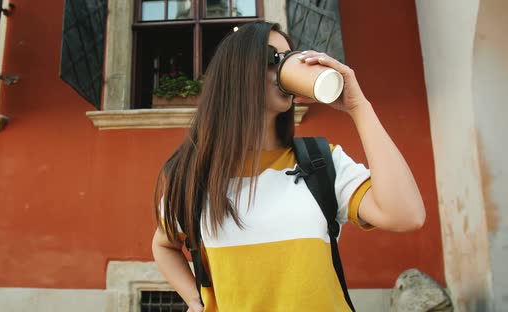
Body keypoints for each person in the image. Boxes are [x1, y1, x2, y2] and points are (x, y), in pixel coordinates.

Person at [151, 21, 425, 312]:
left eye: (291, 57)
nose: (286, 68)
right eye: (273, 58)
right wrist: (196, 301)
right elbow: (164, 245)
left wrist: (359, 107)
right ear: (235, 72)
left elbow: (406, 215)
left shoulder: (320, 162)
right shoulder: (196, 178)